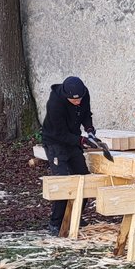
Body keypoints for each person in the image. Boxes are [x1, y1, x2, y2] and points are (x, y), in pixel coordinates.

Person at [40, 76, 96, 236]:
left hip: (73, 140)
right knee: (64, 182)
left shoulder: (84, 95)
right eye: (73, 100)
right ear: (66, 97)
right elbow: (59, 133)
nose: (78, 102)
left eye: (79, 99)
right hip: (55, 142)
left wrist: (89, 129)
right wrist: (80, 140)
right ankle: (55, 223)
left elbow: (86, 113)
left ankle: (75, 215)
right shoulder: (55, 103)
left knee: (84, 179)